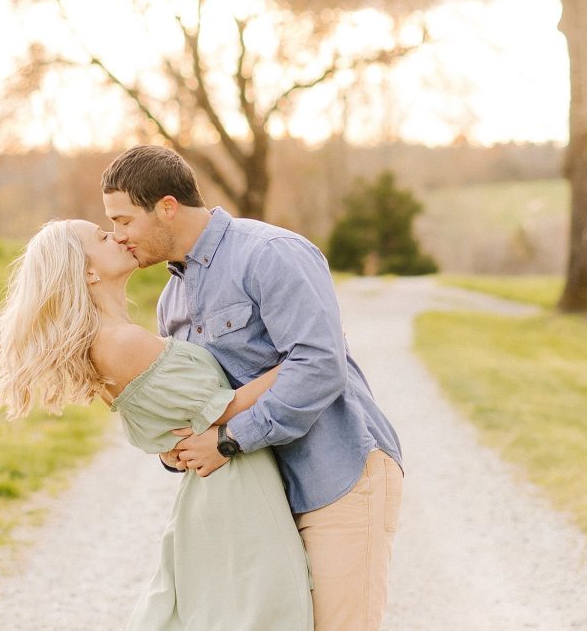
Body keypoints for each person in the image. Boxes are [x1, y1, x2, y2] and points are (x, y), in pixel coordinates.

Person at [101, 145, 404, 631]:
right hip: (261, 503)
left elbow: (320, 363)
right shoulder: (171, 301)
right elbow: (196, 400)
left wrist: (230, 438)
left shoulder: (269, 253)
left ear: (167, 207)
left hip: (337, 474)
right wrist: (173, 450)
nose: (118, 237)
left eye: (123, 221)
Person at [0, 218, 313, 630]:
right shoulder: (120, 343)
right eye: (104, 236)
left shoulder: (117, 336)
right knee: (266, 612)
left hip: (222, 485)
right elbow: (221, 409)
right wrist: (301, 360)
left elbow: (172, 431)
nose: (118, 235)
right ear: (88, 271)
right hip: (236, 490)